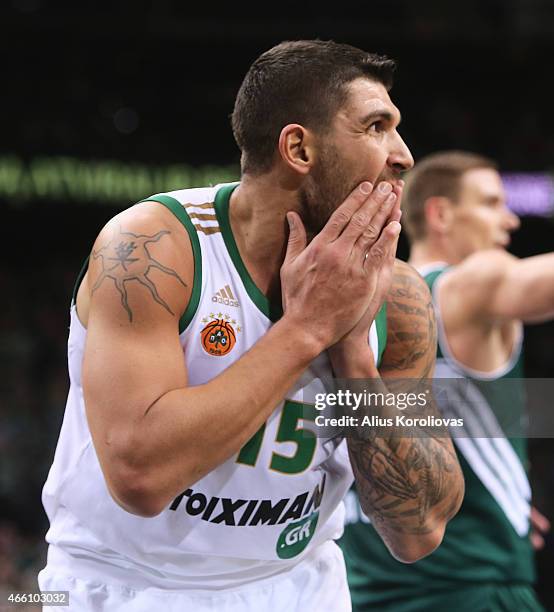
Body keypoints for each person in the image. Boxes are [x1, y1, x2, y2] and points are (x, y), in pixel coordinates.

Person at [38, 41, 464, 611]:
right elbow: (140, 477)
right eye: (376, 127)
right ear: (298, 148)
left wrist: (355, 357)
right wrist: (307, 330)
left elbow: (421, 530)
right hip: (129, 587)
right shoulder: (154, 248)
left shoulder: (400, 295)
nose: (404, 155)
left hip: (300, 584)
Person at [340, 150, 552, 612]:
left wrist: (490, 492)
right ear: (440, 213)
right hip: (470, 588)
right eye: (492, 203)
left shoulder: (346, 300)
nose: (510, 220)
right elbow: (529, 282)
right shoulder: (464, 284)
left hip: (361, 584)